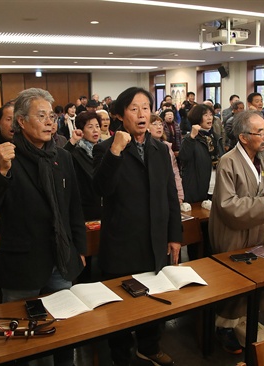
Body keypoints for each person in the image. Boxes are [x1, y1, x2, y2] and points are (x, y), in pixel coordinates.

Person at [0, 88, 86, 366]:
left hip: (60, 260)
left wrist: (80, 249)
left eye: (52, 116)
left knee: (64, 331)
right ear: (21, 122)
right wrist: (0, 171)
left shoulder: (63, 158)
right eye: (41, 116)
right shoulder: (3, 158)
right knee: (23, 339)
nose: (50, 122)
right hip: (22, 265)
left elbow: (74, 209)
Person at [92, 87, 181, 366]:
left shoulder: (159, 148)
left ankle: (149, 346)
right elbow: (102, 189)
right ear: (120, 115)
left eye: (145, 107)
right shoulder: (105, 149)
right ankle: (121, 355)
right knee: (119, 304)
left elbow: (170, 196)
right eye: (134, 108)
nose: (142, 114)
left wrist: (174, 235)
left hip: (153, 239)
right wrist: (116, 151)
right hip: (121, 240)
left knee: (152, 299)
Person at [210, 110, 264, 353]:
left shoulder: (262, 159)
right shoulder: (228, 161)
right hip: (232, 231)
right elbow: (226, 203)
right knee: (234, 280)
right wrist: (263, 206)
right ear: (243, 137)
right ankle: (223, 327)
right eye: (260, 132)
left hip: (257, 228)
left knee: (255, 276)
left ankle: (244, 320)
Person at [179, 104, 224, 203]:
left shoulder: (216, 137)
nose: (209, 118)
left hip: (215, 183)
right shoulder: (190, 138)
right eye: (205, 115)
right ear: (198, 118)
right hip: (197, 185)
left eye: (211, 115)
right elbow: (183, 157)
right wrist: (192, 137)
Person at [64, 111, 103, 220]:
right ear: (82, 130)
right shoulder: (76, 153)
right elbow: (59, 161)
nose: (95, 130)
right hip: (86, 209)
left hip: (106, 206)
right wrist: (73, 140)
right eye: (90, 127)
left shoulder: (106, 149)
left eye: (97, 126)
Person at [150, 114, 184, 203]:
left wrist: (179, 194)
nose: (159, 127)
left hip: (168, 191)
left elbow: (175, 171)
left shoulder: (167, 146)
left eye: (161, 124)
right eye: (155, 124)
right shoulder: (145, 147)